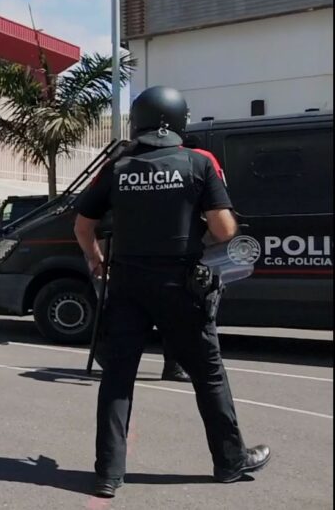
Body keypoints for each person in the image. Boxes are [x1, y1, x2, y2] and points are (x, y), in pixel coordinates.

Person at [73, 86, 270, 498]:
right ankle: (229, 462)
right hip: (182, 286)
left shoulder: (118, 167)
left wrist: (97, 263)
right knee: (208, 375)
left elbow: (83, 225)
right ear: (179, 120)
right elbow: (223, 230)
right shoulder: (198, 163)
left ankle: (108, 473)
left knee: (118, 379)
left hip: (126, 284)